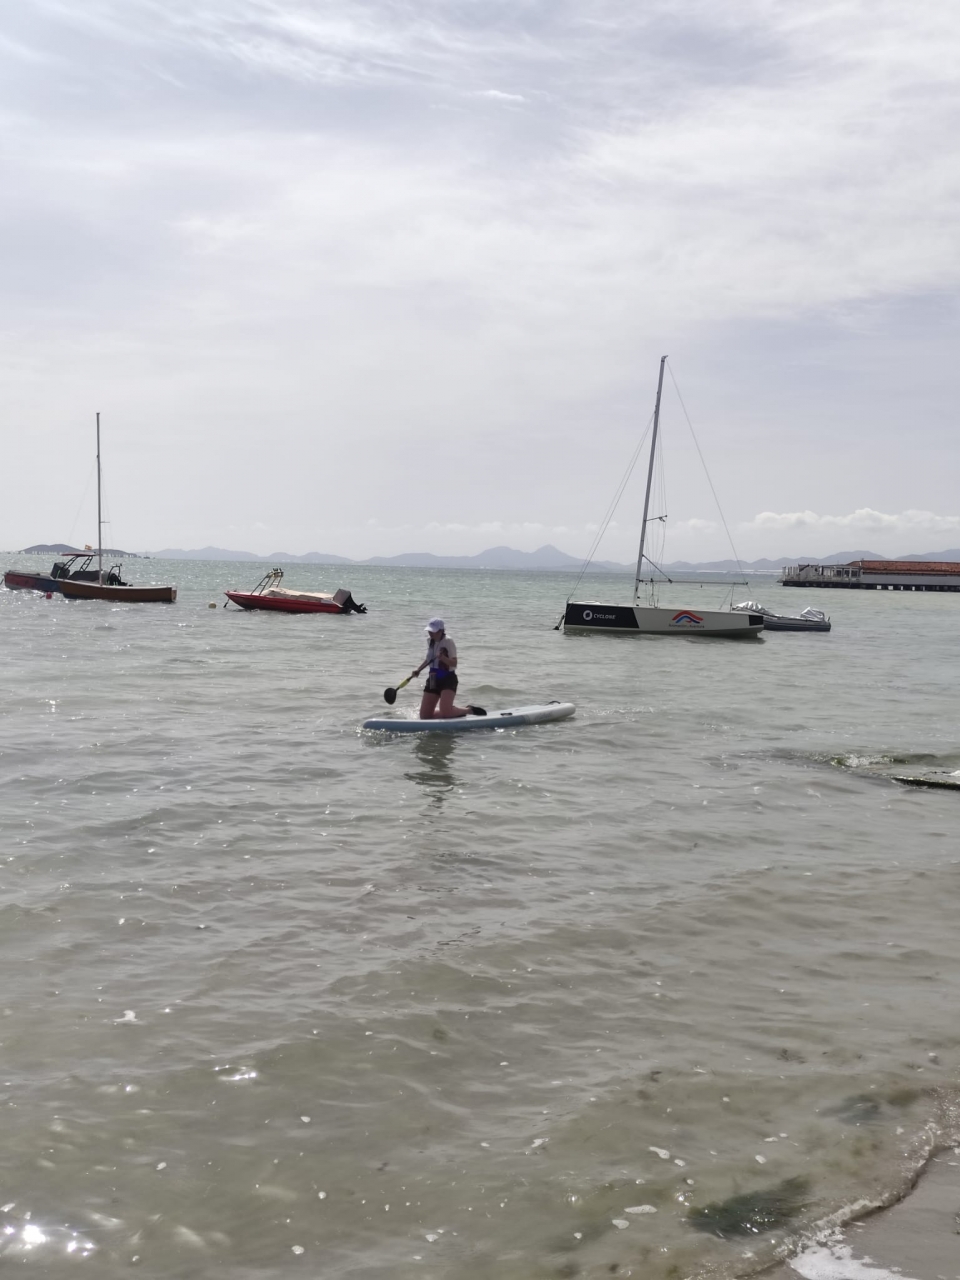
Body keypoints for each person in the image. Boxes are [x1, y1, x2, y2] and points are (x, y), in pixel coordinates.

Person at [411, 618, 486, 720]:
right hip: (433, 679)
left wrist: (443, 658)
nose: (430, 633)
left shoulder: (448, 642)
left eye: (433, 631)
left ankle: (468, 710)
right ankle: (451, 711)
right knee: (425, 716)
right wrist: (418, 669)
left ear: (441, 631)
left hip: (448, 679)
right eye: (429, 630)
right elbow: (428, 659)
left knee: (446, 713)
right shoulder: (430, 641)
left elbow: (454, 663)